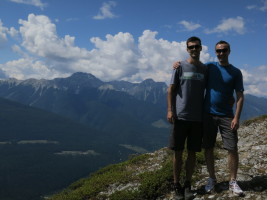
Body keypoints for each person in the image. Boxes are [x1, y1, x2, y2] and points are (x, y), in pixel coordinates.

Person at [173, 40, 244, 196]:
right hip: (207, 114)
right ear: (215, 52)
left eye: (224, 50)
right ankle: (212, 178)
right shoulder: (209, 67)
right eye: (218, 51)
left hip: (227, 115)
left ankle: (232, 181)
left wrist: (236, 117)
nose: (221, 53)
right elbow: (193, 67)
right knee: (208, 147)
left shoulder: (236, 72)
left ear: (229, 51)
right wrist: (178, 63)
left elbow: (239, 96)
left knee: (232, 148)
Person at [167, 36, 207, 200]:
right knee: (178, 152)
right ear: (187, 49)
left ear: (201, 48)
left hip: (198, 117)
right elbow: (170, 90)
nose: (194, 49)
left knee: (192, 153)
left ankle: (187, 184)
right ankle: (177, 185)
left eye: (196, 47)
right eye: (191, 47)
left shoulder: (205, 69)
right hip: (181, 116)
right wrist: (170, 110)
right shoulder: (179, 67)